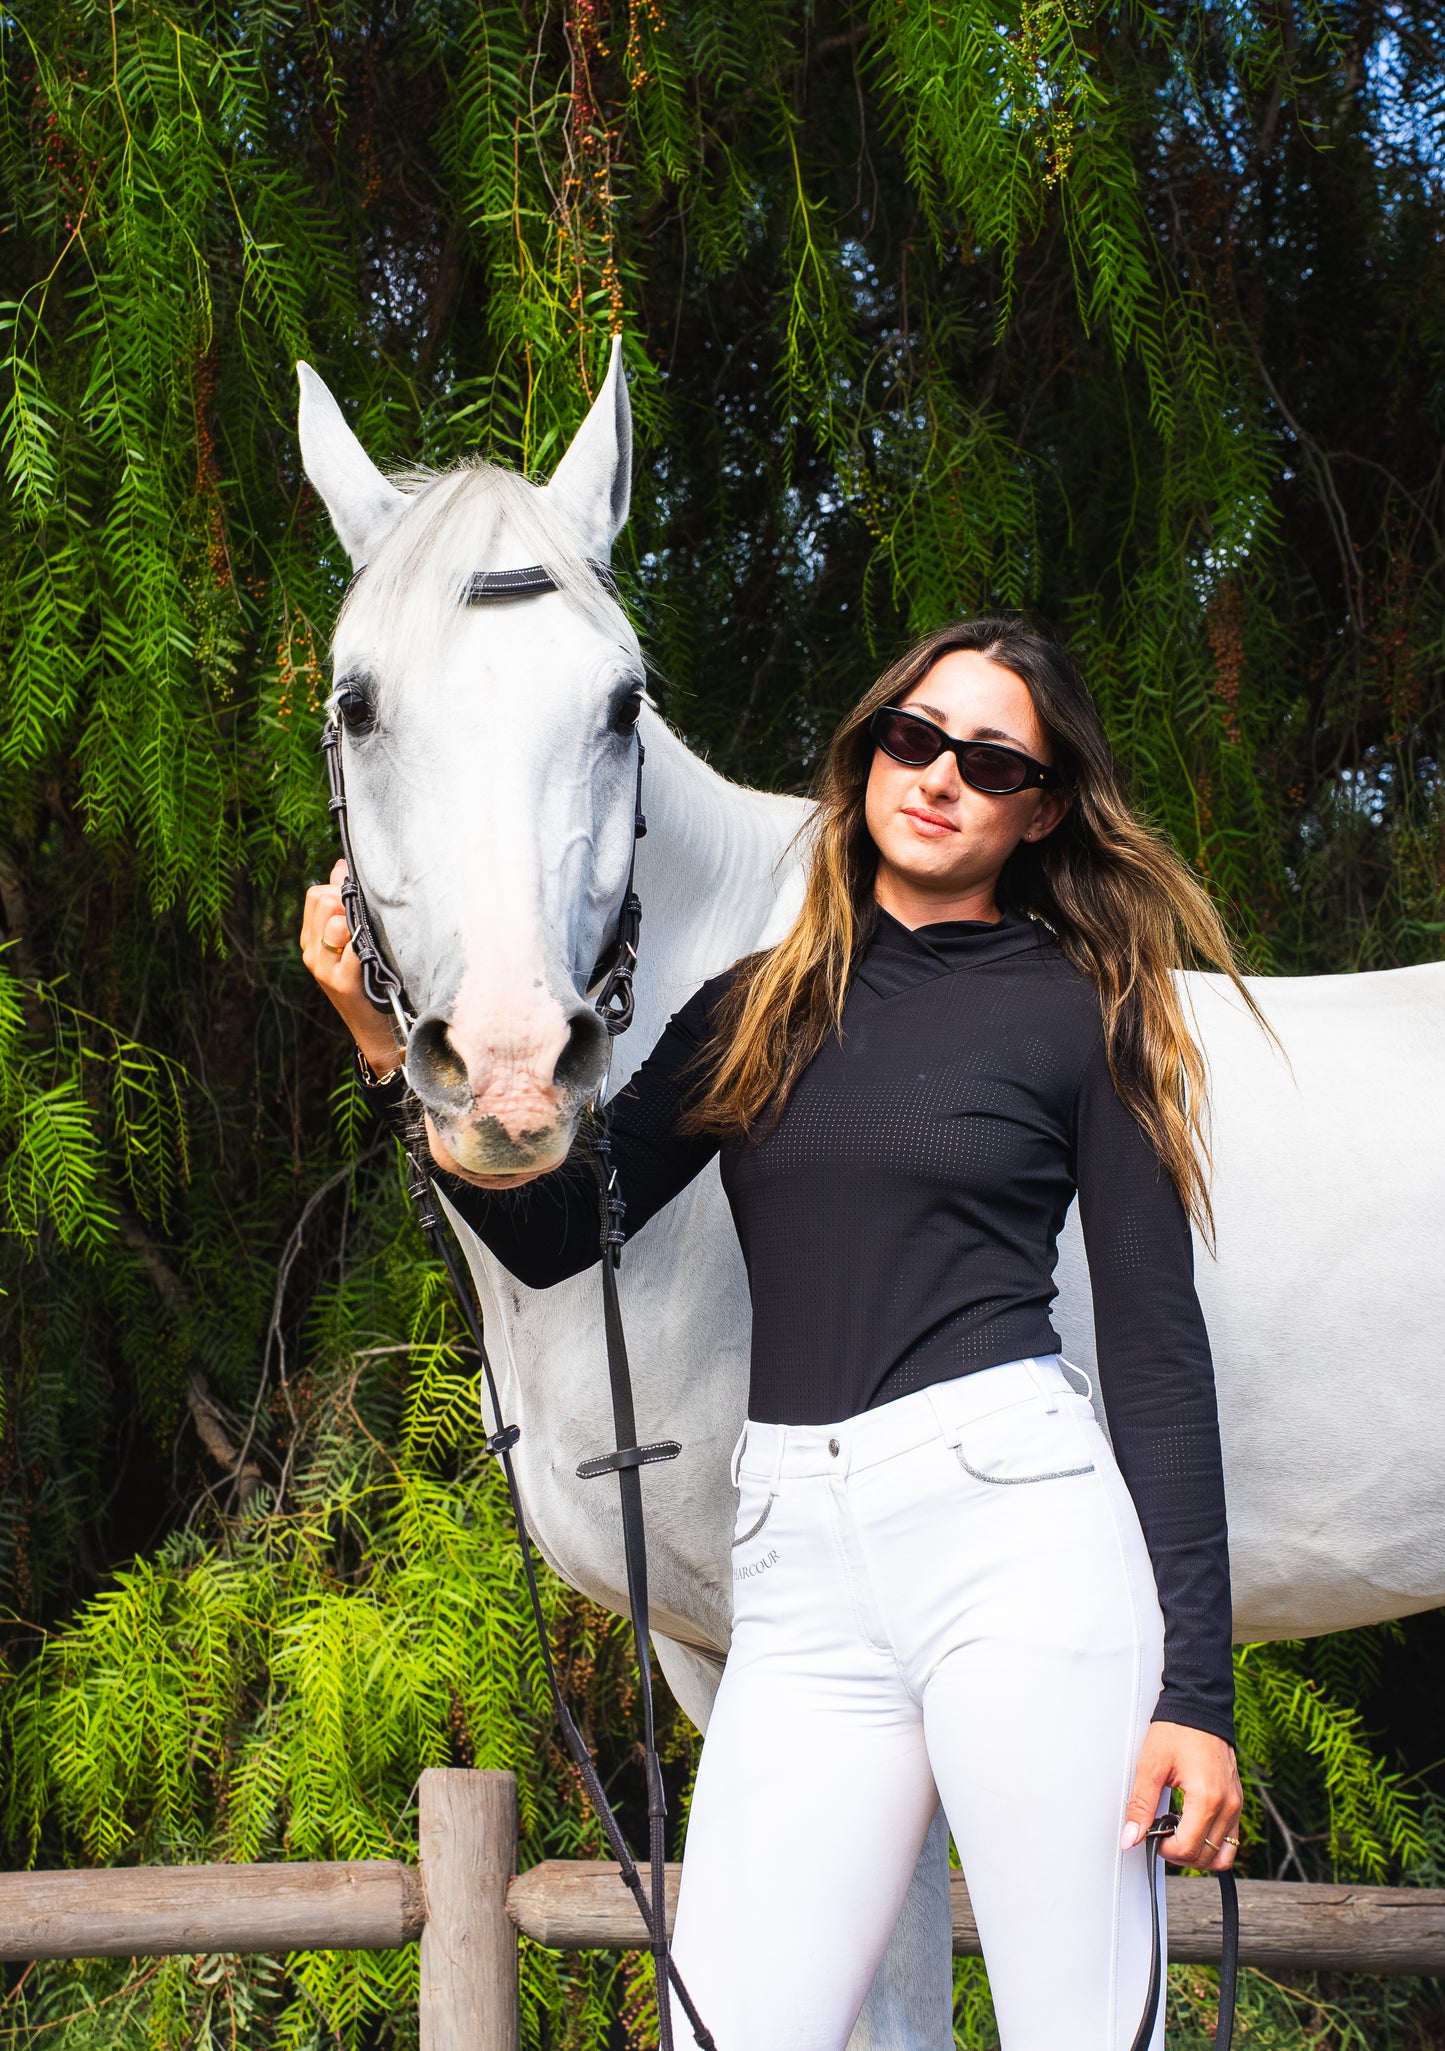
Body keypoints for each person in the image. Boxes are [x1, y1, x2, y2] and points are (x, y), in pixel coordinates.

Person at [302, 617, 1246, 2051]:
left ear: (1039, 810)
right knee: (732, 2025)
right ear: (868, 752)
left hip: (1017, 1537)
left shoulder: (1082, 1012)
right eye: (913, 737)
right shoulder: (759, 1009)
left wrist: (1193, 1695)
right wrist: (388, 1052)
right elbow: (557, 1232)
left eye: (987, 760)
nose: (936, 776)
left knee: (1080, 2029)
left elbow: (1161, 1356)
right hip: (798, 1557)